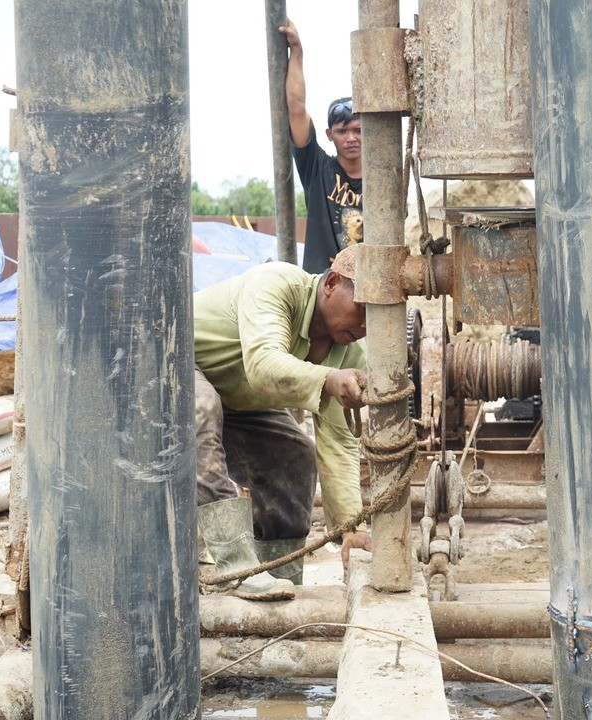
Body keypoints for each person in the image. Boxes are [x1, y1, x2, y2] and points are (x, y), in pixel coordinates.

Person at [194, 245, 372, 601]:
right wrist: (328, 379)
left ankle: (278, 579)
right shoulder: (276, 283)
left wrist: (351, 528)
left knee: (294, 454)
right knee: (201, 408)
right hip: (171, 363)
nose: (366, 325)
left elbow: (337, 443)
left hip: (236, 397)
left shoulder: (347, 351)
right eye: (363, 309)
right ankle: (238, 569)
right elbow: (263, 364)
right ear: (332, 283)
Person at [279, 18, 363, 275]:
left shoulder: (384, 179)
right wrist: (297, 53)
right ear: (329, 134)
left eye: (358, 130)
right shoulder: (317, 168)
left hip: (370, 292)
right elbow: (296, 107)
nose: (351, 138)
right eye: (342, 131)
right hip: (323, 289)